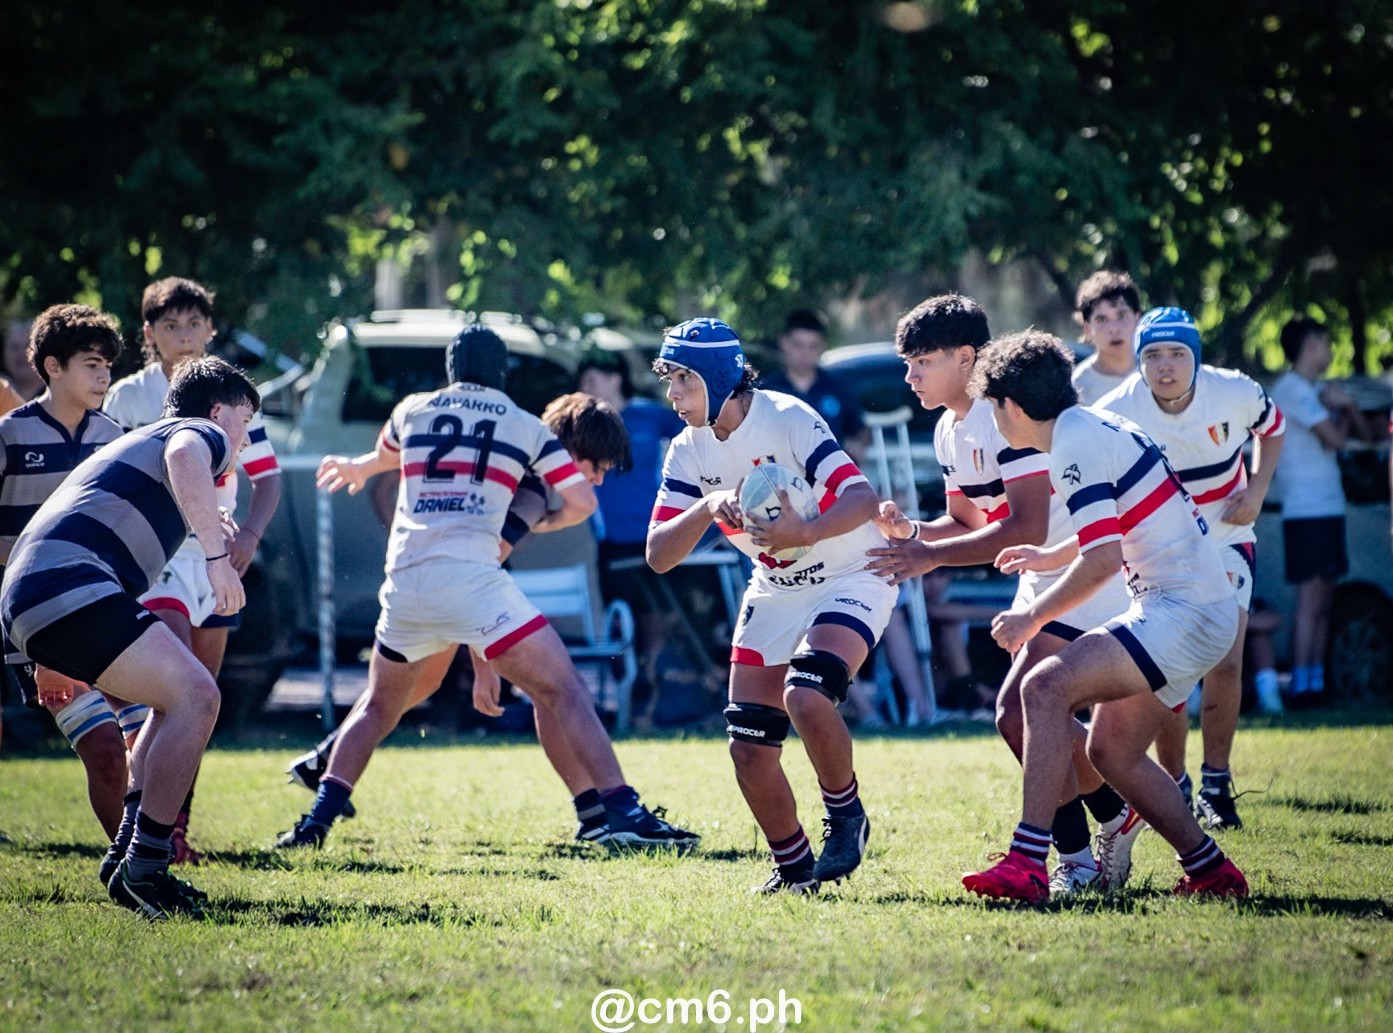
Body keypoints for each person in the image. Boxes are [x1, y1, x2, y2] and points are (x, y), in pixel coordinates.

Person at [275, 328, 696, 852]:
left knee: (387, 702)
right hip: (470, 583)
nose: (603, 479)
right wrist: (485, 660)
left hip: (406, 580)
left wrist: (357, 466)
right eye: (600, 467)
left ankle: (316, 817)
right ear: (503, 374)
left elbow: (384, 457)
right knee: (562, 689)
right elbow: (575, 506)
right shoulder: (525, 437)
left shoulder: (413, 408)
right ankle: (619, 809)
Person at [865, 294, 1139, 895]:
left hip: (1087, 571)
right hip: (1041, 575)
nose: (909, 376)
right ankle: (1113, 820)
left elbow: (1026, 526)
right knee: (1027, 715)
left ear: (967, 358)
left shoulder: (1001, 414)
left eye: (921, 362)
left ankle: (1074, 855)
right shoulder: (948, 427)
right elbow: (966, 524)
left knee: (1021, 710)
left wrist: (928, 555)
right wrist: (910, 532)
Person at [961, 329, 1247, 904]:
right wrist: (1048, 557)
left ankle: (1027, 863)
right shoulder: (1092, 427)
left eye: (992, 406)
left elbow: (1103, 562)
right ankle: (1213, 871)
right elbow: (1115, 529)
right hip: (1197, 608)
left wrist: (1030, 619)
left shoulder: (1075, 445)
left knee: (1042, 688)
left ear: (1012, 406)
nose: (993, 420)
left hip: (1182, 611)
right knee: (1109, 752)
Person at [3, 354, 256, 918]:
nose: (242, 438)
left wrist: (42, 646)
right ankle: (147, 867)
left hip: (33, 594)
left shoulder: (143, 443)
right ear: (217, 412)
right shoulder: (197, 433)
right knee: (198, 696)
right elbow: (189, 453)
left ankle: (128, 860)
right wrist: (217, 557)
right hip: (66, 584)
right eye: (243, 421)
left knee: (171, 704)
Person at [647, 317, 894, 894]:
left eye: (683, 378)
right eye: (669, 379)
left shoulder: (787, 417)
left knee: (807, 693)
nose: (672, 394)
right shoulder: (687, 450)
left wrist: (804, 533)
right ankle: (795, 870)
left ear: (715, 376)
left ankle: (846, 816)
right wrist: (708, 506)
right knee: (748, 748)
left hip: (852, 572)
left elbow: (861, 497)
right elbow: (659, 554)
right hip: (777, 589)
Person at [104, 276, 282, 863]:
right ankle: (140, 841)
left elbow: (268, 474)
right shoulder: (131, 396)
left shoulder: (227, 394)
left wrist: (248, 535)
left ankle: (170, 831)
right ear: (149, 334)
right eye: (170, 325)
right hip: (159, 560)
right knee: (178, 698)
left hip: (214, 560)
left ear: (210, 329)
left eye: (194, 324)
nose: (184, 336)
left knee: (198, 705)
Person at [1095, 308, 1286, 828]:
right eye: (1152, 355)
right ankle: (1174, 781)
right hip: (1160, 550)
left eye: (1178, 353)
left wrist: (1257, 489)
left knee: (1226, 658)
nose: (1166, 366)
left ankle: (1218, 784)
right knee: (1168, 667)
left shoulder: (1233, 391)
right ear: (1138, 362)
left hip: (1226, 535)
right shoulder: (1116, 411)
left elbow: (1274, 428)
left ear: (1196, 358)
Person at [0, 305, 127, 836]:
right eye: (92, 364)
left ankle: (140, 859)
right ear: (52, 366)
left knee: (125, 746)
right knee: (104, 748)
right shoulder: (10, 435)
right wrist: (43, 649)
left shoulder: (115, 437)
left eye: (108, 367)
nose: (104, 377)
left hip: (95, 614)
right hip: (25, 617)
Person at [1270, 316, 1371, 704]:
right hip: (1305, 510)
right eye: (1325, 343)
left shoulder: (1314, 391)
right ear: (1309, 345)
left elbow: (1358, 435)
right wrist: (1343, 408)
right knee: (1311, 600)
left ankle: (1315, 681)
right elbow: (1337, 440)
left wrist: (1345, 407)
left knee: (1327, 596)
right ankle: (1300, 683)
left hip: (1329, 507)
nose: (1329, 351)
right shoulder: (1292, 390)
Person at [577, 352, 685, 700]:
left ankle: (657, 688)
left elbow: (701, 436)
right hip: (611, 541)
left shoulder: (649, 416)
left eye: (592, 381)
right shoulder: (585, 426)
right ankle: (624, 694)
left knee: (657, 614)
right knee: (619, 619)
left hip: (658, 535)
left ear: (615, 379)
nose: (586, 390)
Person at [760, 309, 869, 456]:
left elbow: (860, 431)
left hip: (830, 474)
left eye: (812, 346)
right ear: (784, 343)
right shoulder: (766, 391)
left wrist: (858, 445)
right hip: (782, 474)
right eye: (798, 345)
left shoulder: (837, 388)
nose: (805, 354)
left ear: (823, 346)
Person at [1071, 272, 1143, 406]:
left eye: (1122, 316)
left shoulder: (1153, 370)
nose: (1114, 329)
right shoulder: (1078, 386)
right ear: (1087, 329)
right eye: (1102, 319)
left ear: (1137, 319)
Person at [4, 318, 46, 405]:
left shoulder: (58, 395)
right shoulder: (3, 393)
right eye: (14, 347)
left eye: (28, 346)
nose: (21, 354)